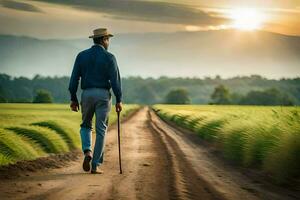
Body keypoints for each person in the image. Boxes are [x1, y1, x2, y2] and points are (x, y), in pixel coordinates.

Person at [68, 28, 122, 174]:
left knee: (85, 125)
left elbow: (74, 79)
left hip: (86, 94)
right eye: (108, 39)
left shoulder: (81, 56)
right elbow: (115, 81)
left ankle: (87, 152)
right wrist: (119, 99)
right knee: (101, 129)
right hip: (104, 95)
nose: (108, 42)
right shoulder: (110, 57)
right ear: (104, 40)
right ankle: (96, 165)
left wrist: (73, 98)